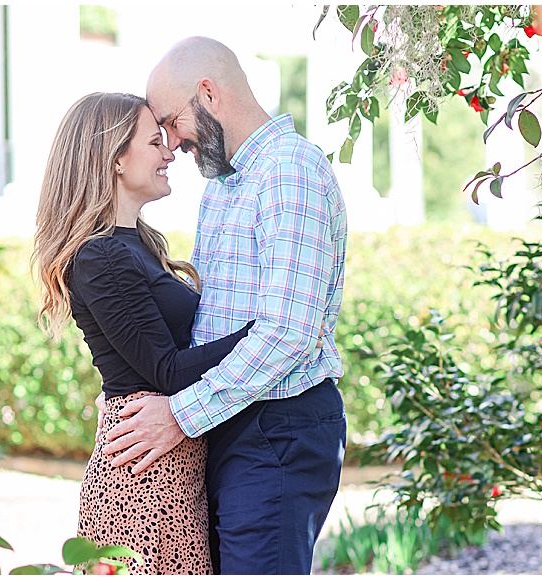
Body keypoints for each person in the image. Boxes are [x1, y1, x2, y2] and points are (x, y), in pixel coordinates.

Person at [100, 36, 349, 574]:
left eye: (170, 121)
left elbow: (288, 332)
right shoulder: (226, 185)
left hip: (277, 427)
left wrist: (179, 415)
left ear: (207, 93)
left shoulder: (289, 172)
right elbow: (207, 321)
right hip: (230, 420)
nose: (170, 143)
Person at [31, 92, 260, 574]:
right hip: (141, 479)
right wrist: (268, 331)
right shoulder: (102, 257)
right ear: (115, 159)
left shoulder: (136, 245)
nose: (169, 152)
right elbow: (168, 371)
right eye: (155, 142)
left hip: (166, 464)